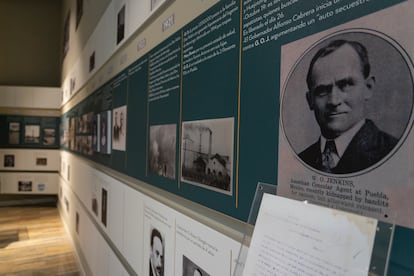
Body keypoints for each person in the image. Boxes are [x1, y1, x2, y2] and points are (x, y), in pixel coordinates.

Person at [299, 39, 398, 174]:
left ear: (368, 87)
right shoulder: (301, 160)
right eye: (322, 90)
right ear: (309, 100)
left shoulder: (394, 153)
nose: (334, 101)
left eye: (345, 85)